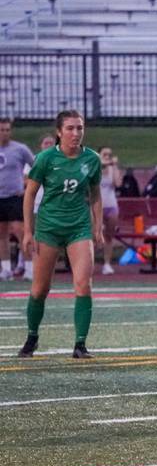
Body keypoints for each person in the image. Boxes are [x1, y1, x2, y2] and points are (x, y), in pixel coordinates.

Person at [18, 110, 102, 358]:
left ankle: (80, 344)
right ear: (59, 132)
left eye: (80, 128)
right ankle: (32, 336)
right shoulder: (45, 159)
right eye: (70, 128)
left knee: (83, 285)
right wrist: (27, 231)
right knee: (40, 289)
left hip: (79, 227)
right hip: (48, 228)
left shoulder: (92, 159)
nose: (76, 133)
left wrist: (97, 226)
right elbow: (30, 194)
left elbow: (95, 194)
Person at [0, 117, 35, 281]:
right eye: (2, 130)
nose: (5, 133)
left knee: (21, 233)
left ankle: (29, 269)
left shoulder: (20, 149)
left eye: (7, 130)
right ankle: (6, 269)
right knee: (2, 235)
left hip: (15, 197)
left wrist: (27, 184)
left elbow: (36, 166)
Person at [20, 133, 56, 280]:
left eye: (51, 143)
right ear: (41, 145)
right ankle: (29, 267)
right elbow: (25, 181)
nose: (48, 146)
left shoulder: (60, 161)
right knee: (31, 235)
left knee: (48, 239)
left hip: (52, 206)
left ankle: (43, 267)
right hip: (35, 204)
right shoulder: (34, 160)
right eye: (45, 143)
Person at [97, 146, 123, 275]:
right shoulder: (96, 167)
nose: (107, 156)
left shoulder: (112, 168)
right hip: (97, 206)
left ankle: (107, 264)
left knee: (109, 236)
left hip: (111, 205)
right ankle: (90, 262)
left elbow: (118, 183)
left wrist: (115, 166)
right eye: (104, 154)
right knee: (94, 235)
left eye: (109, 154)